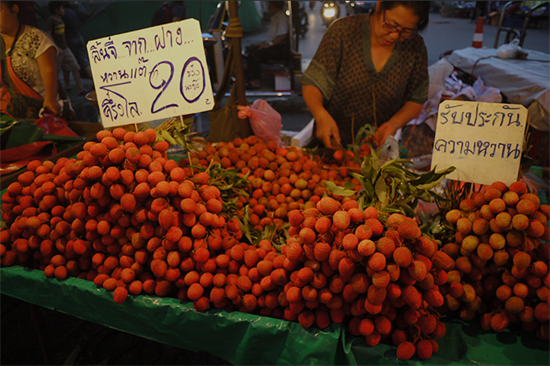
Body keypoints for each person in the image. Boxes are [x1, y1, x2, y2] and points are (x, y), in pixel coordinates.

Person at [301, 1, 430, 149]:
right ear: (380, 6)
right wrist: (320, 114)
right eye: (391, 25)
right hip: (330, 146)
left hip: (375, 153)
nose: (395, 35)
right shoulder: (344, 31)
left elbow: (416, 98)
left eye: (406, 31)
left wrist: (393, 124)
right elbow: (314, 82)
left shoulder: (415, 47)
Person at [0, 1, 61, 118]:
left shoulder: (36, 38)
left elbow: (49, 71)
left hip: (42, 113)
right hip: (10, 116)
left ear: (14, 9)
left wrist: (50, 98)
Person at [245, 1, 290, 90]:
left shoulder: (281, 17)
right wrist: (264, 43)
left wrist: (269, 45)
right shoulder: (275, 17)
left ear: (273, 7)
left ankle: (255, 80)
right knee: (251, 48)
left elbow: (283, 35)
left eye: (269, 7)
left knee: (254, 52)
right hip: (273, 46)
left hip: (279, 49)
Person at [46, 1, 85, 95]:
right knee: (56, 71)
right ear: (56, 10)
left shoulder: (60, 18)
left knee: (75, 66)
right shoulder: (52, 20)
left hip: (65, 48)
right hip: (58, 49)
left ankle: (81, 89)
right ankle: (54, 92)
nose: (64, 10)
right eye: (62, 8)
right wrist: (55, 47)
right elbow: (48, 34)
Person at [62, 1, 92, 80]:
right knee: (83, 61)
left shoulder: (61, 15)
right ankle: (93, 78)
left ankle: (69, 84)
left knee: (71, 63)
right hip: (78, 37)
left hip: (70, 39)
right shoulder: (72, 12)